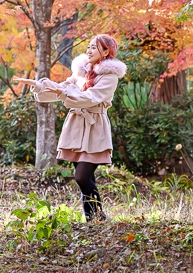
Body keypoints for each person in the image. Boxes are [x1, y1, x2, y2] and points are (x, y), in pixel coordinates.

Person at [13, 34, 126, 221]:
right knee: (86, 179)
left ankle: (99, 216)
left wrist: (64, 92)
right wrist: (39, 85)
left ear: (106, 52)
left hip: (95, 127)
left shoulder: (110, 77)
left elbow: (89, 97)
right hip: (76, 127)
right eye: (88, 47)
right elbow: (62, 88)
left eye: (94, 47)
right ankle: (93, 218)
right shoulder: (81, 72)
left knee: (82, 177)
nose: (89, 51)